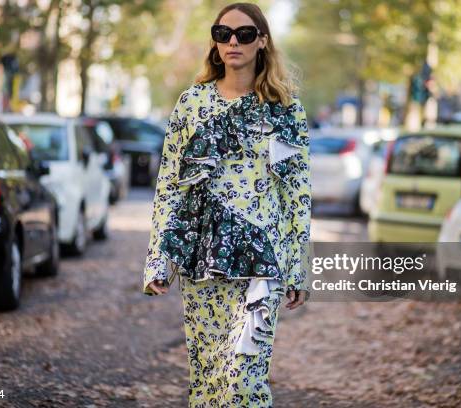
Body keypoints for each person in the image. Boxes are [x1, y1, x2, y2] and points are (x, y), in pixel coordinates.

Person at [141, 2, 312, 406]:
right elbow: (169, 185)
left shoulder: (285, 111)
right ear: (215, 43)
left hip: (262, 260)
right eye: (223, 34)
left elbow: (297, 195)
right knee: (208, 379)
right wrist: (157, 259)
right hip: (203, 256)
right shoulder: (191, 104)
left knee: (245, 378)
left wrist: (299, 266)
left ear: (263, 42)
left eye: (245, 34)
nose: (233, 42)